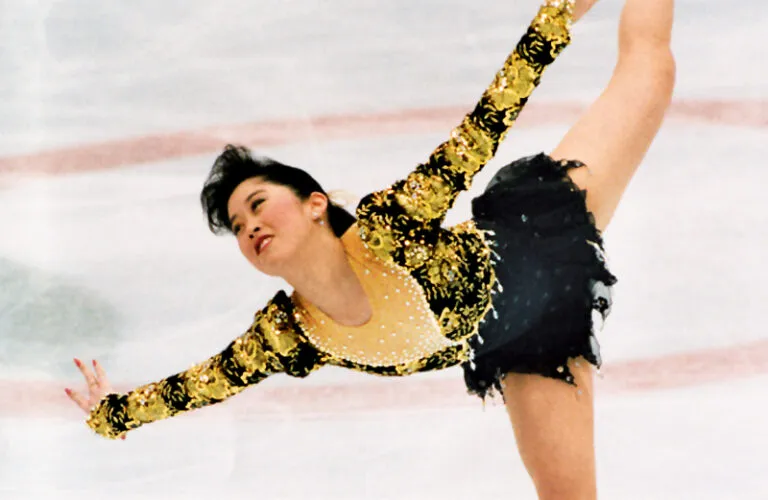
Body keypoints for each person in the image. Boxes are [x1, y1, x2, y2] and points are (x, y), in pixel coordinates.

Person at [66, 0, 675, 498]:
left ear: (313, 203)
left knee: (650, 73)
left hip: (535, 233)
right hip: (524, 340)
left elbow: (482, 128)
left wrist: (556, 16)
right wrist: (110, 414)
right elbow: (199, 385)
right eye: (237, 226)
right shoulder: (289, 335)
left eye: (257, 203)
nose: (249, 227)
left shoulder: (389, 227)